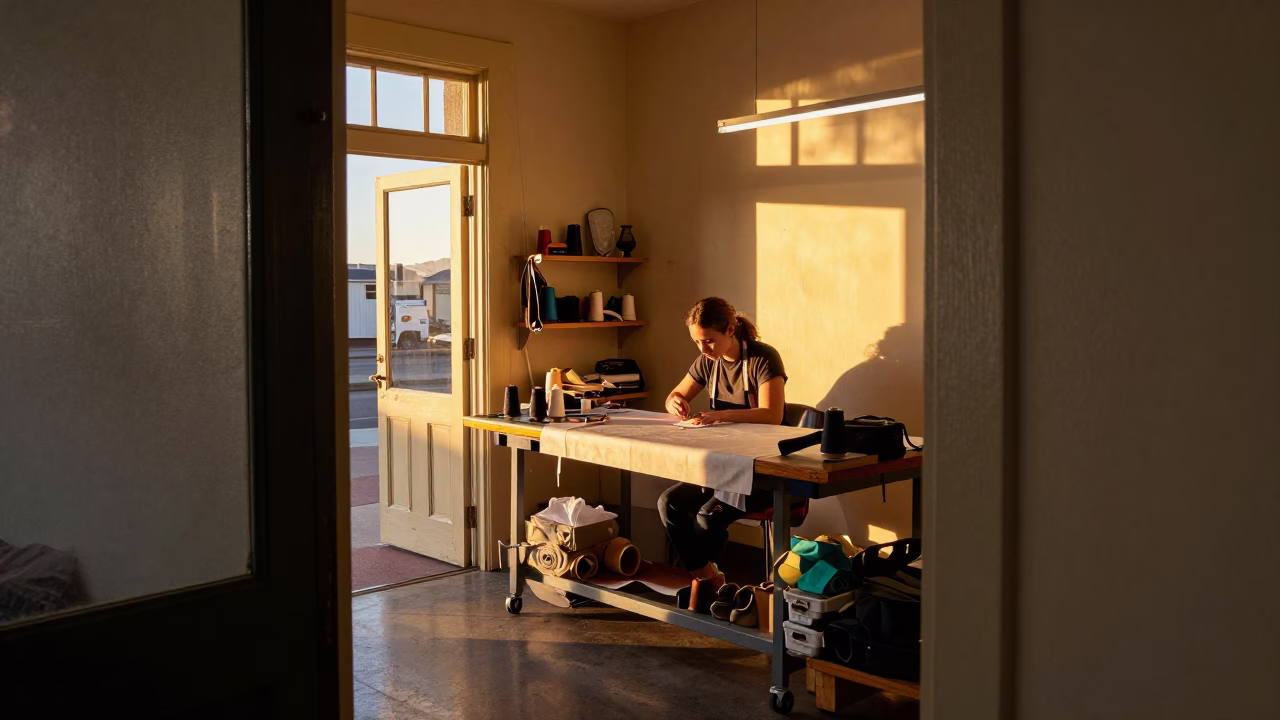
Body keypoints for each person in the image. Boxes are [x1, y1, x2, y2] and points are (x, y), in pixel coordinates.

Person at [659, 298, 791, 599]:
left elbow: (773, 414)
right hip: (723, 465)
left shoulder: (763, 358)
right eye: (696, 342)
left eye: (708, 341)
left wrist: (720, 414)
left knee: (709, 516)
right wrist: (675, 401)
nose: (703, 350)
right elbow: (676, 393)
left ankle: (705, 586)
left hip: (760, 468)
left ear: (730, 330)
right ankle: (709, 577)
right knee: (670, 503)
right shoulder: (708, 360)